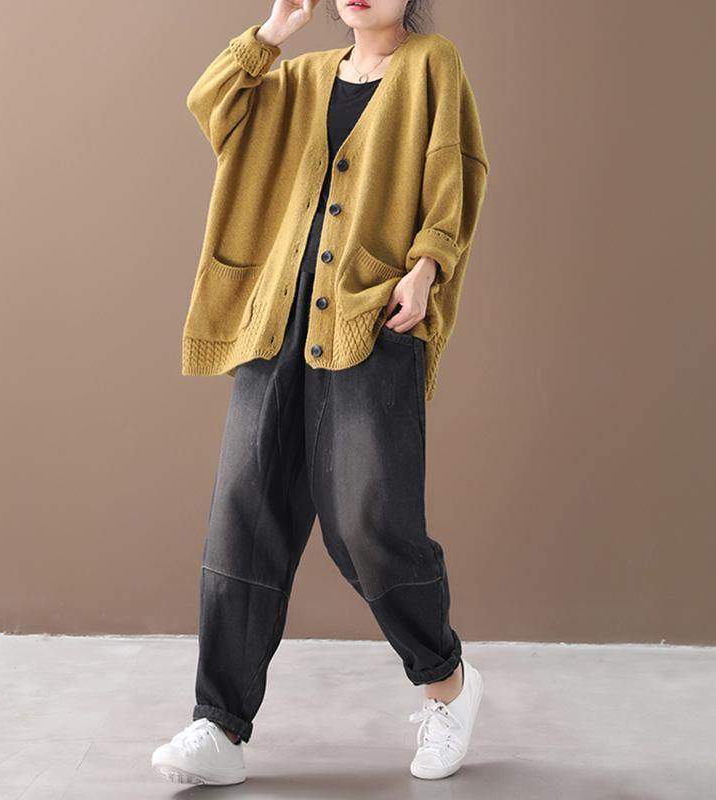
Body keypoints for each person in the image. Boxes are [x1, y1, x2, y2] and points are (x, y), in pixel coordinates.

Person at [153, 0, 490, 786]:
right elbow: (213, 106)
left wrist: (428, 267)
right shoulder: (300, 77)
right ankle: (219, 725)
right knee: (244, 519)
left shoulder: (431, 64)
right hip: (276, 325)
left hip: (373, 322)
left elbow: (456, 173)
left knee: (370, 525)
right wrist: (272, 35)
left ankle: (448, 683)